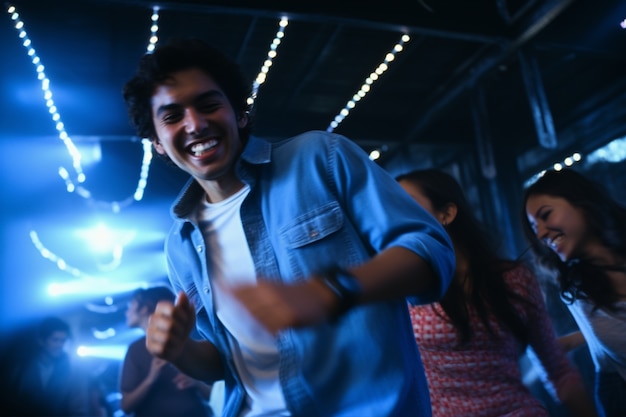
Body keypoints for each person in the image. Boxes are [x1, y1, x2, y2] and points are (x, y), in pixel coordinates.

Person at [122, 37, 455, 417]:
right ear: (158, 143)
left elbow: (431, 251)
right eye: (172, 116)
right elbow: (221, 362)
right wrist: (179, 350)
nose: (195, 124)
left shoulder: (321, 158)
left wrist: (334, 290)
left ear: (239, 114)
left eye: (209, 104)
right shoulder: (179, 244)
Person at [396, 169, 597, 417]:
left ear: (446, 213)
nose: (393, 215)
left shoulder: (512, 279)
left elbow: (557, 370)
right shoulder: (401, 290)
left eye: (405, 203)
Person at [522, 168, 626, 417]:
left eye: (546, 215)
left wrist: (574, 340)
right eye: (535, 227)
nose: (541, 234)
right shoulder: (578, 287)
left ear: (582, 203)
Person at [120, 285, 214, 417]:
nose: (127, 312)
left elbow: (218, 394)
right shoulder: (135, 350)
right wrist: (151, 378)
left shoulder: (186, 339)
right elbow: (125, 406)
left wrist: (196, 381)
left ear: (144, 309)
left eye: (131, 305)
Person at [6, 315, 89, 416]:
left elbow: (77, 406)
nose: (59, 345)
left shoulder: (72, 370)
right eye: (55, 340)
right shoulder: (23, 367)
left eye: (63, 340)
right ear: (41, 341)